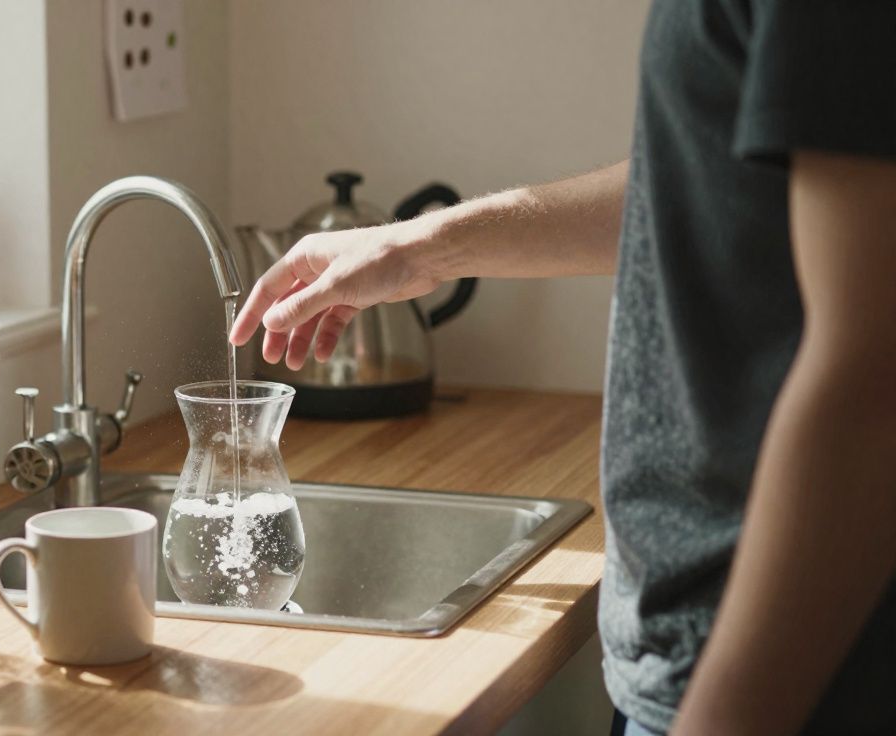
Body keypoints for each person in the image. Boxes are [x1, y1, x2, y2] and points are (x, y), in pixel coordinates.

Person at [228, 3, 896, 734]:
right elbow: (696, 181)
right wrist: (418, 248)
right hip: (697, 646)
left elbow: (872, 374)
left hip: (778, 665)